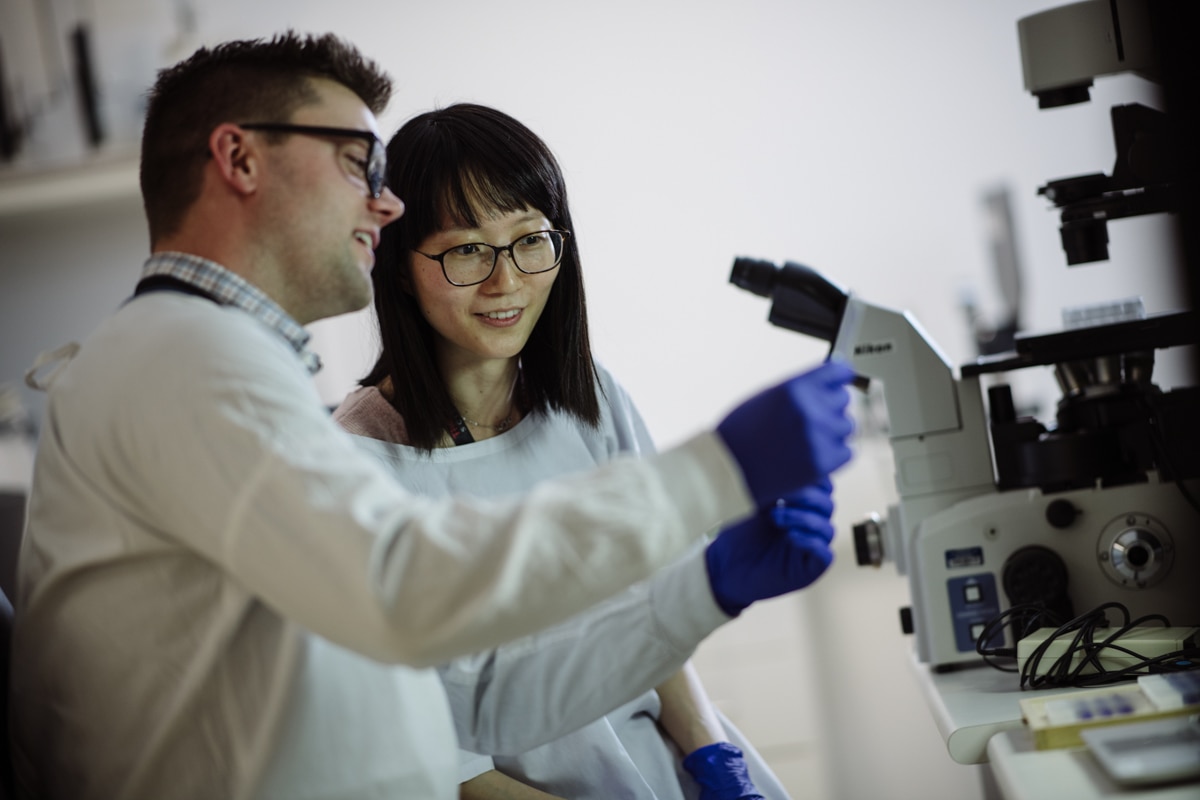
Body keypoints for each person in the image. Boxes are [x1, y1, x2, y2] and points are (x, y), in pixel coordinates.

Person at [8, 31, 856, 800]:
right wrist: (711, 476)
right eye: (355, 165)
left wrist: (702, 591)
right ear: (239, 158)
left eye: (529, 240)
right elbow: (406, 591)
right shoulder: (188, 364)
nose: (381, 205)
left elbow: (483, 697)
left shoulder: (229, 366)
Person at [333, 102, 796, 800]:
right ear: (401, 267)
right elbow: (428, 756)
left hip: (665, 772)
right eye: (466, 249)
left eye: (530, 240)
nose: (506, 281)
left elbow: (649, 619)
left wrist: (711, 755)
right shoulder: (357, 465)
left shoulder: (589, 402)